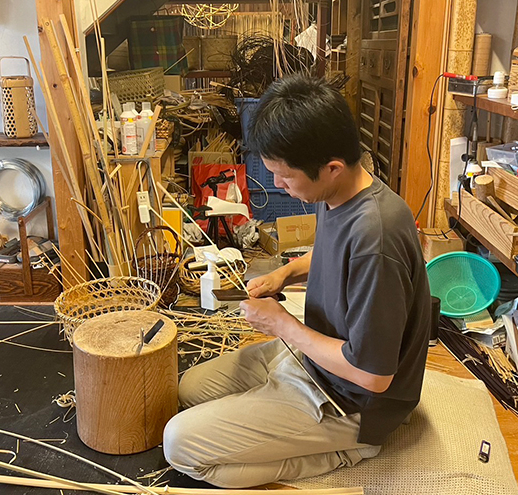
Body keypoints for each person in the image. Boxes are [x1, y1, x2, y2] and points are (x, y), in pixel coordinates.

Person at [163, 75, 431, 488]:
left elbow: (374, 376)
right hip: (313, 355)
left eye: (285, 177)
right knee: (189, 388)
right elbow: (329, 253)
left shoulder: (375, 236)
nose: (277, 185)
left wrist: (282, 325)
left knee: (180, 444)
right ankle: (279, 406)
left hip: (352, 400)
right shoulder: (337, 192)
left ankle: (348, 449)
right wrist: (284, 273)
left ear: (332, 168)